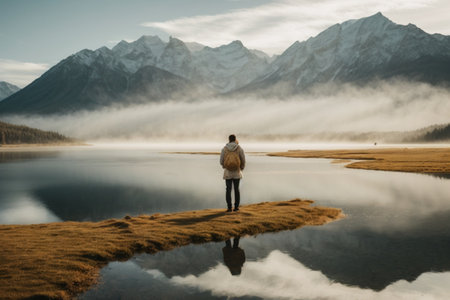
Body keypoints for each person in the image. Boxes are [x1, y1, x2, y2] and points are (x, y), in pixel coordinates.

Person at [220, 134, 245, 212]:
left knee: (228, 189)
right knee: (236, 189)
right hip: (237, 172)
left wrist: (225, 166)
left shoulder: (224, 149)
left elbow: (221, 161)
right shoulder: (239, 148)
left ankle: (229, 207)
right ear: (235, 139)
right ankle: (236, 207)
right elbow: (243, 159)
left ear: (229, 139)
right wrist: (241, 168)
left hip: (228, 172)